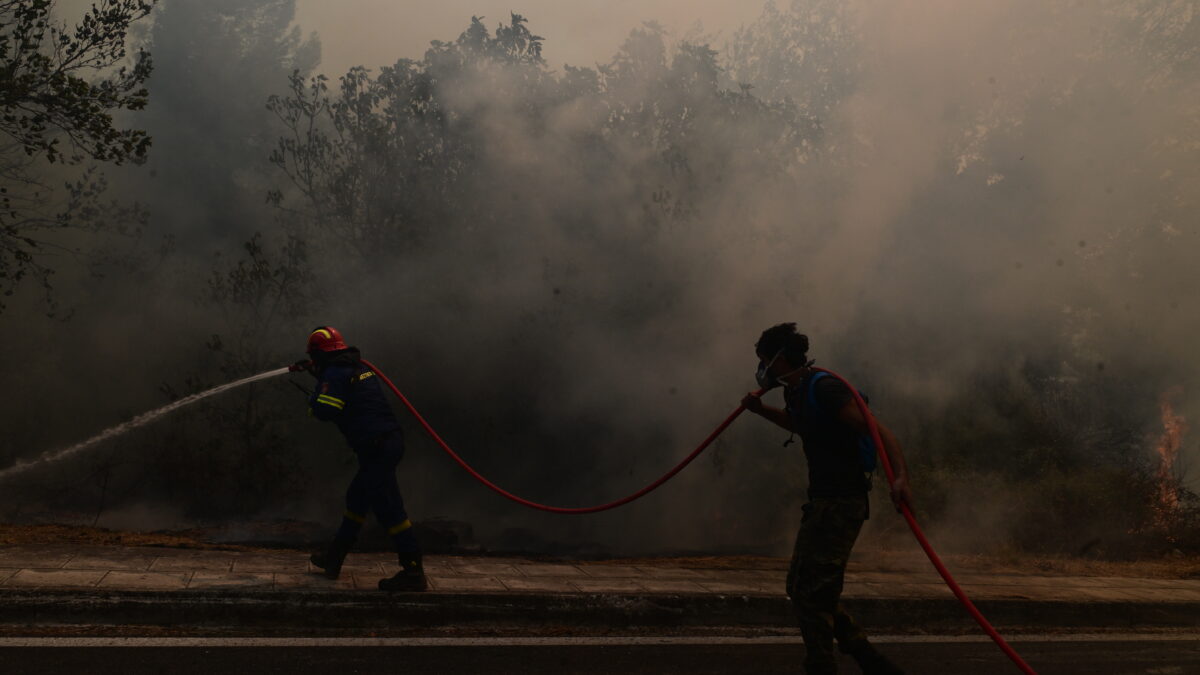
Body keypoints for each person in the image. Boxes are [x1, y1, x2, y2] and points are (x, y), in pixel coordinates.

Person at [741, 323, 911, 675]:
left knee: (812, 593)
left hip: (842, 503)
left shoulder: (827, 389)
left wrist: (900, 479)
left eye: (764, 362)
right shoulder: (796, 390)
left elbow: (878, 430)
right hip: (821, 502)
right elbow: (804, 426)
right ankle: (870, 660)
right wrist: (761, 412)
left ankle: (823, 665)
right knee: (801, 586)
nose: (762, 371)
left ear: (781, 359)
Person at [301, 326, 426, 592]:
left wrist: (315, 395)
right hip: (386, 444)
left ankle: (414, 572)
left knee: (388, 507)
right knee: (357, 500)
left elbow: (325, 410)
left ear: (320, 355)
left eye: (314, 356)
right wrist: (321, 377)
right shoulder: (356, 368)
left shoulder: (336, 373)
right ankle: (334, 559)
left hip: (378, 448)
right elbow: (348, 395)